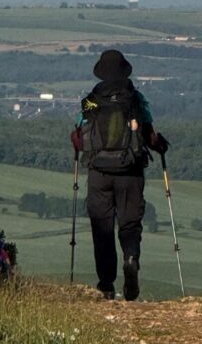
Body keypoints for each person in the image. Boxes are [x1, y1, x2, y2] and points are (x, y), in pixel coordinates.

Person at [71, 49, 167, 301]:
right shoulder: (135, 98)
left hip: (99, 172)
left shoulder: (91, 100)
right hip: (130, 171)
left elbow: (79, 134)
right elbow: (149, 134)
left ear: (101, 72)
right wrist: (160, 146)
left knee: (102, 228)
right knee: (130, 223)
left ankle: (106, 284)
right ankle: (131, 257)